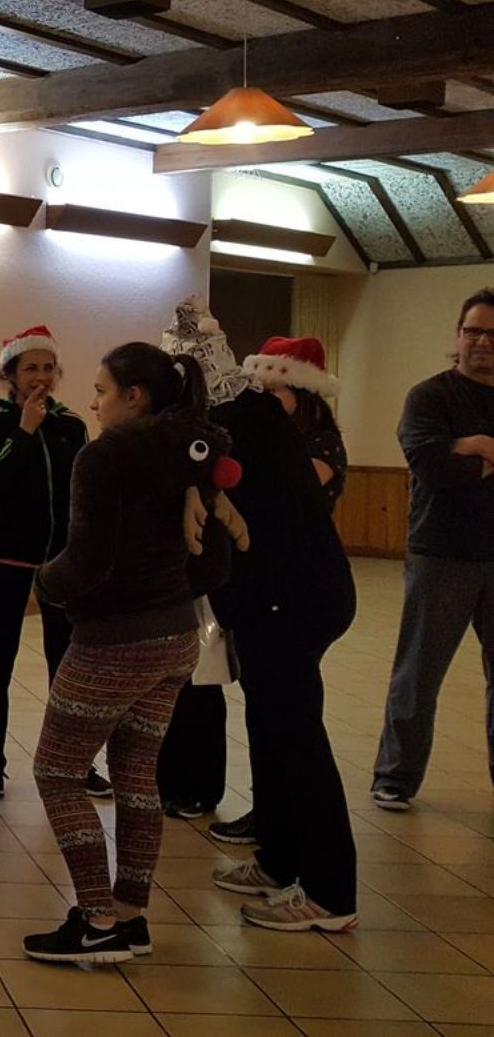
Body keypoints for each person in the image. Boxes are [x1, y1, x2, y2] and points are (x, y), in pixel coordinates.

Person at [22, 341, 242, 964]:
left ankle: (95, 919)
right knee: (137, 773)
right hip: (175, 637)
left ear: (135, 397)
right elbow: (214, 565)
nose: (93, 404)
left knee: (57, 772)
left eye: (102, 391)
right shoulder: (196, 454)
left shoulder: (107, 456)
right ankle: (130, 916)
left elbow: (87, 559)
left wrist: (43, 583)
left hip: (113, 642)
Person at [188, 333, 359, 932]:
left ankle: (331, 894)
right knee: (269, 730)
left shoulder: (263, 434)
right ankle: (280, 858)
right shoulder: (253, 429)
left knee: (297, 738)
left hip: (294, 603)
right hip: (273, 604)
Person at [372, 288, 494, 810]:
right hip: (441, 553)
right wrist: (471, 452)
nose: (482, 342)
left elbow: (449, 459)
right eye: (473, 331)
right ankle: (395, 778)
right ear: (458, 335)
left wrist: (469, 446)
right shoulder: (430, 397)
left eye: (492, 334)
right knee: (418, 675)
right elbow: (431, 466)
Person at [0, 325, 94, 799]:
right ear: (11, 374)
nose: (40, 377)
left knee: (65, 665)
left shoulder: (72, 425)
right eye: (30, 368)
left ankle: (72, 763)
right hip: (4, 560)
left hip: (61, 564)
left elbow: (83, 494)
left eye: (48, 368)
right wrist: (25, 429)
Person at [151, 298, 255, 822]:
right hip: (176, 574)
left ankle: (195, 785)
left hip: (204, 574)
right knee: (178, 685)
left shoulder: (223, 429)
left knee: (199, 683)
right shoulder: (167, 429)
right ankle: (174, 781)